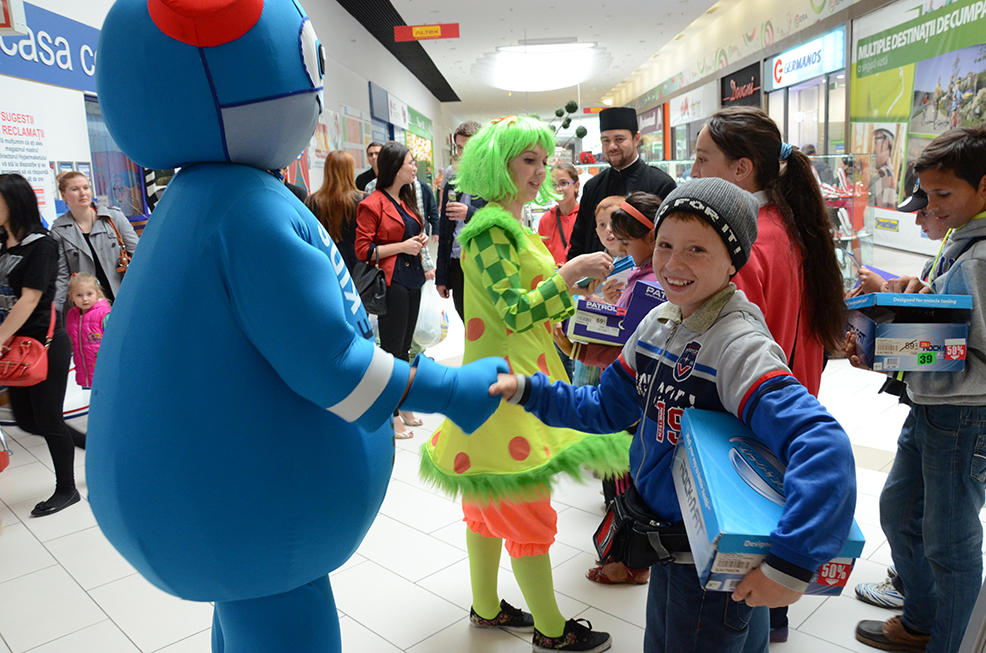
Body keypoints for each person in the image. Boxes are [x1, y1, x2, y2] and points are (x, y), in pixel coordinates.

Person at [491, 177, 857, 653]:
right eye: (664, 245)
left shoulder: (737, 345)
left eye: (697, 250)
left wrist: (790, 565)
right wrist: (529, 391)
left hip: (714, 564)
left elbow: (823, 443)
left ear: (734, 262)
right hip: (669, 544)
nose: (672, 264)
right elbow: (606, 407)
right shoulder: (660, 321)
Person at [419, 115, 624, 653]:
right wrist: (570, 272)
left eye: (541, 160)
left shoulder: (509, 224)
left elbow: (530, 309)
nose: (539, 171)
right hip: (509, 385)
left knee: (489, 501)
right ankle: (552, 630)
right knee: (523, 504)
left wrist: (577, 306)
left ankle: (486, 608)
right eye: (527, 161)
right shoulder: (488, 228)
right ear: (497, 164)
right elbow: (512, 311)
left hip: (517, 378)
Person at [692, 106, 847, 642]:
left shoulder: (748, 241)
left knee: (742, 544)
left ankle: (755, 613)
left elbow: (728, 342)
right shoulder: (788, 225)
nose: (692, 170)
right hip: (793, 390)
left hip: (752, 406)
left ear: (740, 169)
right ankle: (769, 617)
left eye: (702, 158)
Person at [851, 124, 986, 653]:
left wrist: (899, 342)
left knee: (950, 543)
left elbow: (965, 345)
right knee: (901, 511)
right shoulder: (963, 241)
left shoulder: (980, 257)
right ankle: (923, 619)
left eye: (943, 195)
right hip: (932, 407)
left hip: (966, 415)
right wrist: (912, 299)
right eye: (927, 194)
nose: (932, 207)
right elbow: (954, 320)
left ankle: (949, 642)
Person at [0, 173, 86, 517]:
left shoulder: (42, 244)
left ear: (14, 203)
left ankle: (67, 490)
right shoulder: (2, 242)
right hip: (13, 344)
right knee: (27, 420)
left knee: (48, 419)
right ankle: (95, 446)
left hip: (43, 343)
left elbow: (29, 299)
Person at [355, 141, 430, 438]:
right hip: (391, 282)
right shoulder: (371, 203)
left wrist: (418, 241)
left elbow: (410, 232)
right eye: (410, 163)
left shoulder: (406, 200)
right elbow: (363, 250)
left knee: (405, 349)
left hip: (412, 279)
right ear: (395, 168)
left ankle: (402, 403)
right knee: (391, 350)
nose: (414, 168)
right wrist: (402, 246)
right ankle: (392, 413)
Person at [566, 106, 676, 260]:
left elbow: (670, 243)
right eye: (606, 140)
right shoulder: (593, 186)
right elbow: (578, 242)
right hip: (596, 281)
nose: (612, 146)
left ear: (636, 139)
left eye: (619, 139)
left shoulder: (661, 184)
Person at [50, 171, 139, 313]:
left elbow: (139, 256)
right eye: (75, 189)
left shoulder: (113, 217)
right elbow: (62, 277)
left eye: (86, 187)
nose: (82, 193)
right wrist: (55, 313)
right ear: (64, 196)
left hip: (122, 298)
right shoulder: (59, 230)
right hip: (87, 308)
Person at [437, 120, 485, 322]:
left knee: (485, 323)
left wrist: (470, 213)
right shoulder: (453, 183)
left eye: (468, 148)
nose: (462, 153)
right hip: (457, 264)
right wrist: (441, 276)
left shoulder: (494, 183)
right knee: (467, 320)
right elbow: (445, 231)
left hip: (484, 263)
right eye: (459, 147)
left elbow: (503, 219)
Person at [305, 150, 365, 273]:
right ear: (350, 170)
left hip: (325, 265)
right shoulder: (362, 200)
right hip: (356, 267)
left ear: (327, 170)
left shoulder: (312, 201)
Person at [65, 272, 111, 390]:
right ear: (71, 296)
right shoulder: (72, 315)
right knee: (89, 398)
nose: (85, 299)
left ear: (97, 293)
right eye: (79, 295)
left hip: (103, 370)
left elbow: (113, 341)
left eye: (89, 294)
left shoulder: (104, 314)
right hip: (83, 371)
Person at [539, 163, 580, 266]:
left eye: (563, 183)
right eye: (554, 184)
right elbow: (541, 255)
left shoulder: (585, 216)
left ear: (576, 186)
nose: (558, 189)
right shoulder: (546, 220)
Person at [870, 128, 897, 208]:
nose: (873, 150)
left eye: (875, 143)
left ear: (886, 143)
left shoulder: (885, 174)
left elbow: (886, 210)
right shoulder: (884, 173)